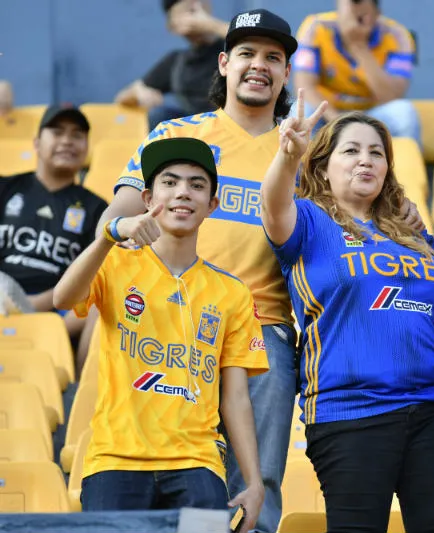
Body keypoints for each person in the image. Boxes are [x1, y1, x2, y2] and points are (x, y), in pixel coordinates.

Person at [97, 9, 423, 532]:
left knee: (257, 486)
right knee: (186, 480)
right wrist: (123, 232)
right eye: (247, 54)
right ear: (224, 63)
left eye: (274, 57)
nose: (259, 66)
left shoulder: (308, 148)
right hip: (171, 326)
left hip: (263, 331)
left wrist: (403, 211)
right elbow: (115, 219)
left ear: (287, 73)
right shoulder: (177, 134)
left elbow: (360, 209)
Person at [262, 98, 434, 532]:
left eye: (376, 152)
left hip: (433, 408)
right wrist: (287, 155)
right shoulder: (309, 221)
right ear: (323, 166)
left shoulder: (414, 234)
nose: (366, 160)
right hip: (350, 411)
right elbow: (272, 206)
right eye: (350, 150)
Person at [53, 137, 267, 532]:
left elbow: (236, 396)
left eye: (197, 185)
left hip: (198, 466)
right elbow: (63, 296)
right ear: (149, 196)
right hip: (115, 462)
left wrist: (254, 482)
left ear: (213, 205)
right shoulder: (115, 263)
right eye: (170, 182)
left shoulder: (232, 292)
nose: (183, 192)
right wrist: (108, 234)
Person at [0, 104, 107, 356]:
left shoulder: (97, 208)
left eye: (77, 135)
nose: (67, 141)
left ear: (87, 149)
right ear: (37, 143)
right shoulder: (5, 188)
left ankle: (79, 392)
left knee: (101, 303)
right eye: (57, 132)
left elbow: (92, 278)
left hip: (58, 310)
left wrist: (34, 305)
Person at [293, 0, 420, 145]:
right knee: (300, 111)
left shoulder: (397, 35)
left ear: (377, 13)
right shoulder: (315, 27)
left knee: (404, 113)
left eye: (361, 17)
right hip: (327, 113)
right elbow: (305, 87)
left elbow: (391, 97)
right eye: (347, 13)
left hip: (373, 114)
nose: (352, 22)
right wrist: (338, 121)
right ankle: (301, 167)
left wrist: (358, 45)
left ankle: (404, 167)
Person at [114, 0, 227, 129]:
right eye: (188, 10)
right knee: (159, 115)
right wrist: (139, 91)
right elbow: (122, 97)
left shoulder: (234, 48)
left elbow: (253, 37)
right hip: (196, 132)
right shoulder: (177, 61)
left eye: (196, 9)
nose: (194, 15)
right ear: (172, 26)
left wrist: (211, 25)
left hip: (231, 125)